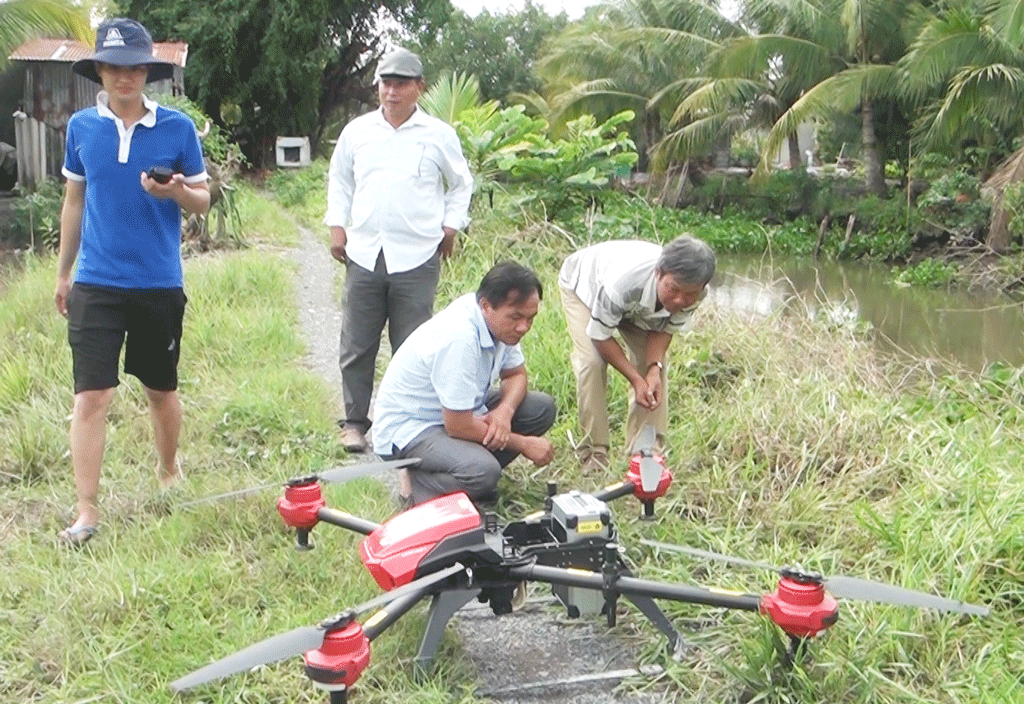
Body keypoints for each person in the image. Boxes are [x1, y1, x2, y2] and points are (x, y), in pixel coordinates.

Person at [54, 18, 210, 546]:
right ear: (99, 70)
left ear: (149, 71)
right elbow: (74, 201)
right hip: (96, 282)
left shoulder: (178, 128)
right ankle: (87, 511)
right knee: (91, 397)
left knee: (160, 390)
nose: (126, 77)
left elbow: (204, 198)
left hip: (157, 282)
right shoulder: (81, 128)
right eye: (116, 67)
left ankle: (168, 470)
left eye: (136, 67)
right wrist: (62, 272)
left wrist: (175, 195)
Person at [325, 47, 473, 454]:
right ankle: (355, 423)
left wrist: (451, 225)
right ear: (378, 87)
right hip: (364, 252)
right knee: (358, 342)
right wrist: (337, 226)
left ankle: (406, 425)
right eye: (385, 83)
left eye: (401, 84)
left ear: (419, 88)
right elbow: (340, 181)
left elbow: (461, 183)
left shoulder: (438, 135)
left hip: (418, 256)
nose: (392, 92)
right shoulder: (357, 132)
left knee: (413, 346)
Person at [372, 262, 556, 506]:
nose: (524, 327)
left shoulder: (500, 324)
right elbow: (458, 426)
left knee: (541, 408)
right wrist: (522, 443)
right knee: (484, 472)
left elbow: (516, 375)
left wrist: (504, 412)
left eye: (530, 318)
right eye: (516, 317)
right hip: (414, 427)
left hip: (459, 413)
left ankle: (460, 470)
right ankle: (419, 485)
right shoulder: (459, 338)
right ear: (485, 306)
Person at [558, 236, 715, 473]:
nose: (680, 300)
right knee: (591, 361)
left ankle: (645, 453)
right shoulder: (622, 283)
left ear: (701, 288)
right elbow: (601, 337)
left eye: (689, 294)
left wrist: (652, 370)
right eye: (673, 289)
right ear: (658, 274)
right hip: (584, 288)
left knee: (655, 371)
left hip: (636, 306)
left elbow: (663, 331)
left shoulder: (696, 292)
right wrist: (635, 379)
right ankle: (595, 452)